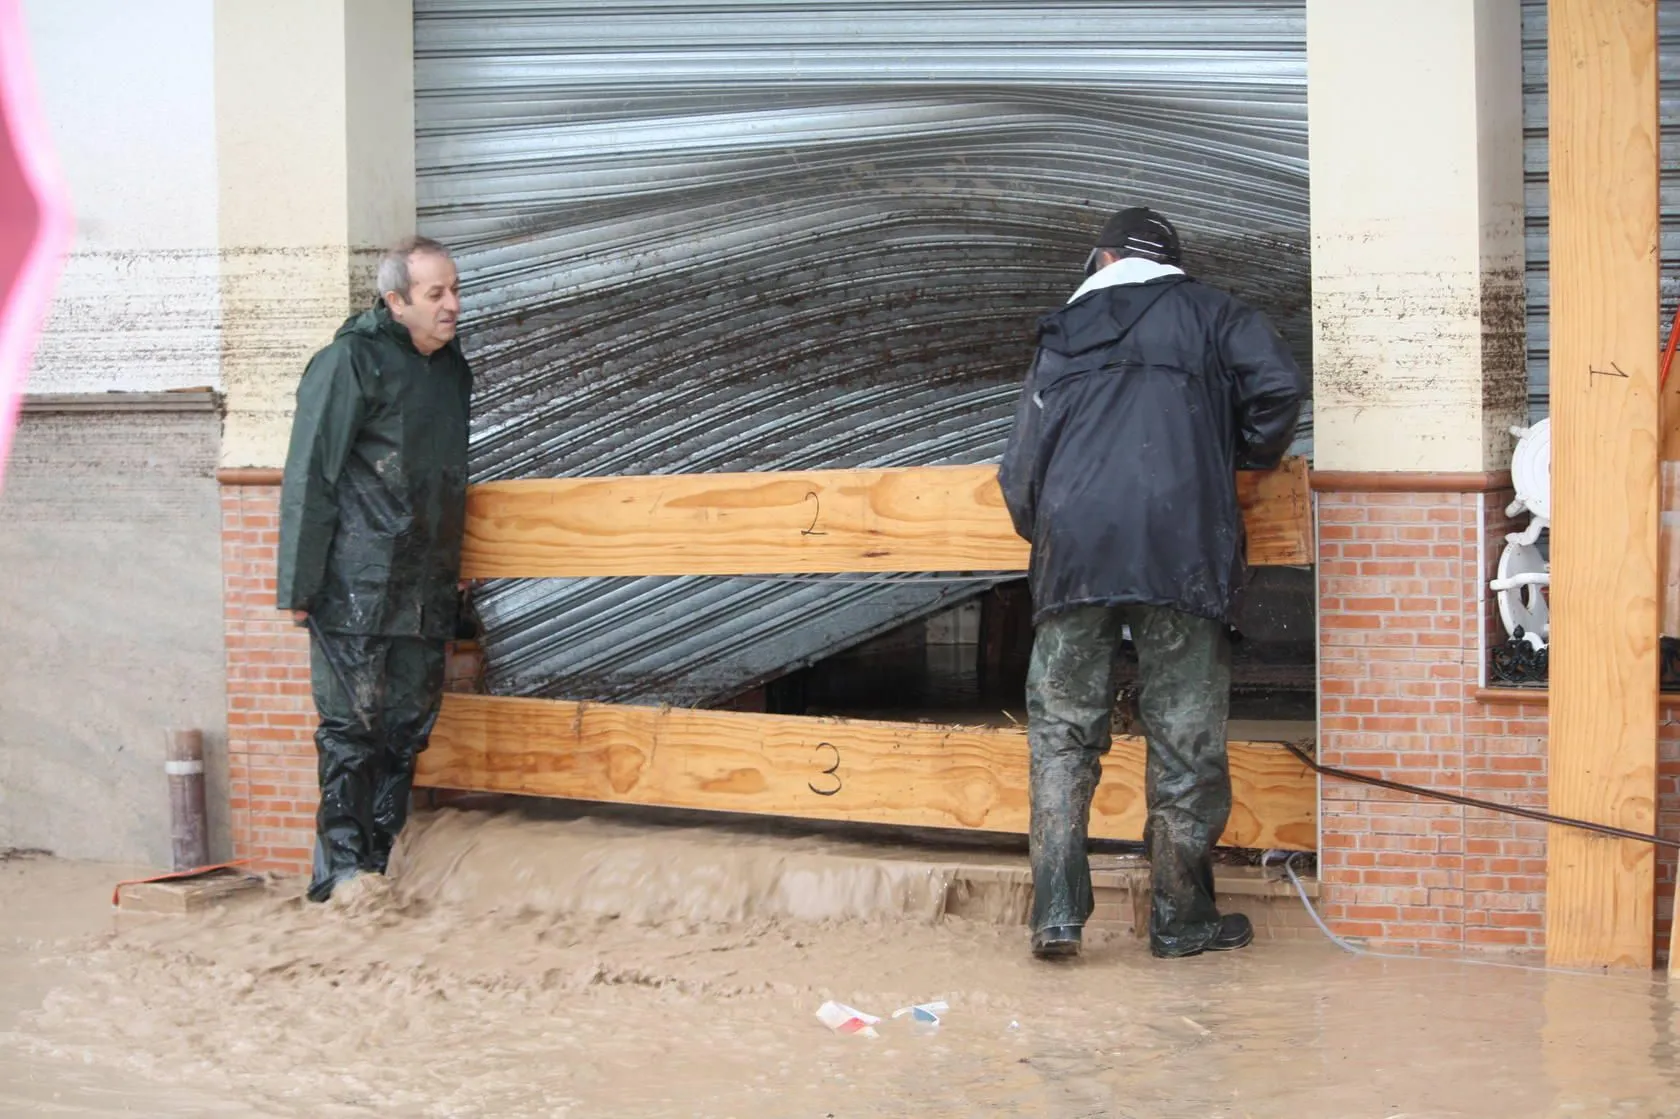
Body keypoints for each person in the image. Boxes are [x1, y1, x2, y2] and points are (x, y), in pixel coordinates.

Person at [998, 207, 1305, 960]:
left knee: (1063, 733)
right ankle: (1181, 918)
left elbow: (1018, 473)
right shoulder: (1213, 314)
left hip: (1075, 553)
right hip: (1182, 545)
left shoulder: (1061, 334)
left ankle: (1058, 914)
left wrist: (1057, 530)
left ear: (1102, 259)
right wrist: (1227, 458)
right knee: (1184, 732)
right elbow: (1276, 389)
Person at [276, 235, 474, 903]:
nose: (453, 305)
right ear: (396, 301)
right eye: (435, 294)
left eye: (454, 289)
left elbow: (450, 478)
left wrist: (456, 563)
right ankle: (338, 875)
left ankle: (379, 865)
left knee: (407, 726)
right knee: (352, 727)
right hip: (354, 583)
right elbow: (312, 473)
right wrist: (300, 586)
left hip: (425, 583)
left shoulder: (451, 370)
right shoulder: (348, 364)